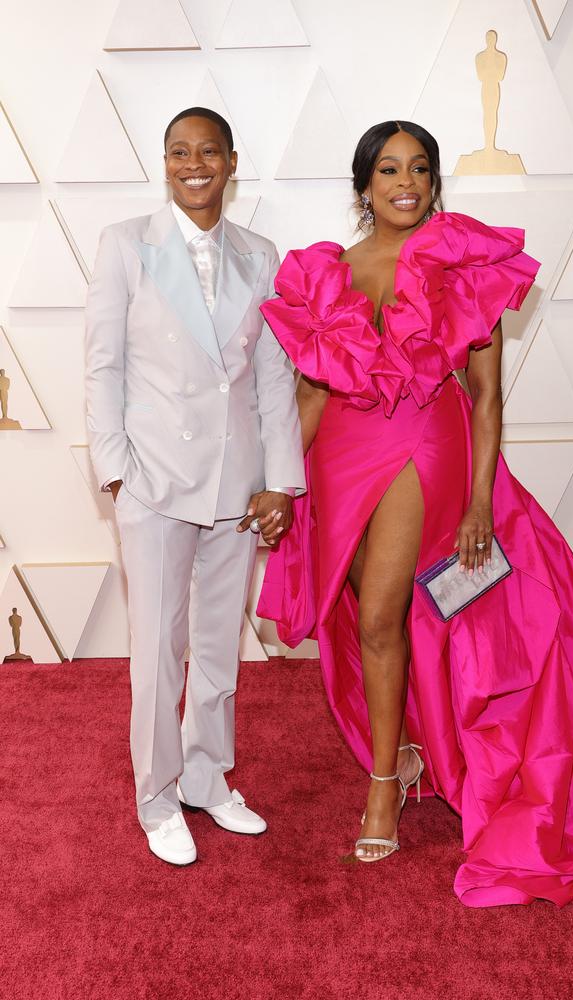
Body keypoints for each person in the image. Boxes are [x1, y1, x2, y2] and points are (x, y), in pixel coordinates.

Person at [258, 120, 573, 906]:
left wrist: (479, 501)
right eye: (390, 169)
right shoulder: (328, 272)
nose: (408, 182)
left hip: (421, 448)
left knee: (378, 617)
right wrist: (280, 485)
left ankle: (381, 789)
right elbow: (310, 392)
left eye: (422, 169)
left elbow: (487, 397)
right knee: (375, 616)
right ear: (363, 186)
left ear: (435, 181)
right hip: (338, 454)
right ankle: (402, 752)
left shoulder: (461, 263)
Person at [85, 107, 305, 865]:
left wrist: (281, 480)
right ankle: (157, 797)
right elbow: (103, 365)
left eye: (208, 151)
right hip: (153, 481)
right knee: (156, 646)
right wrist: (116, 472)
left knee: (217, 646)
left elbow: (273, 377)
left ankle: (208, 777)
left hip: (236, 487)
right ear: (165, 161)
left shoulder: (261, 254)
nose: (194, 164)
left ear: (232, 161)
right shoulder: (125, 246)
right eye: (179, 151)